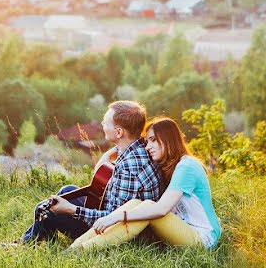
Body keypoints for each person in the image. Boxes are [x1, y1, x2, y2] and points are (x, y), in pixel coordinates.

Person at [20, 101, 162, 243]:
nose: (102, 124)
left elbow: (112, 219)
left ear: (119, 132)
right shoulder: (140, 147)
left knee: (44, 209)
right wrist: (109, 153)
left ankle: (29, 243)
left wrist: (71, 209)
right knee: (67, 190)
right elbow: (98, 180)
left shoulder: (128, 168)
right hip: (119, 216)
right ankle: (39, 237)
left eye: (105, 122)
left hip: (119, 232)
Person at [69, 116, 221, 250]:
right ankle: (75, 247)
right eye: (147, 141)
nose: (148, 147)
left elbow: (161, 209)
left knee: (148, 205)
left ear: (168, 139)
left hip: (203, 238)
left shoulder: (187, 167)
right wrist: (113, 150)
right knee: (136, 202)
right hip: (182, 228)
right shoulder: (170, 165)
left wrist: (116, 217)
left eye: (153, 140)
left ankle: (84, 250)